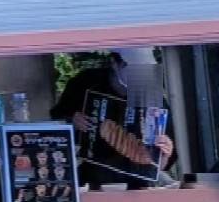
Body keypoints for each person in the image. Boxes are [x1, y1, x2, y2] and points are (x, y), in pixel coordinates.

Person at [50, 47, 177, 189]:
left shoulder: (153, 96)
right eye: (132, 69)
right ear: (114, 63)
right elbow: (54, 124)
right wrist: (71, 120)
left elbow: (161, 165)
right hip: (89, 181)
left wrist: (166, 152)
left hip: (136, 188)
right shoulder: (85, 82)